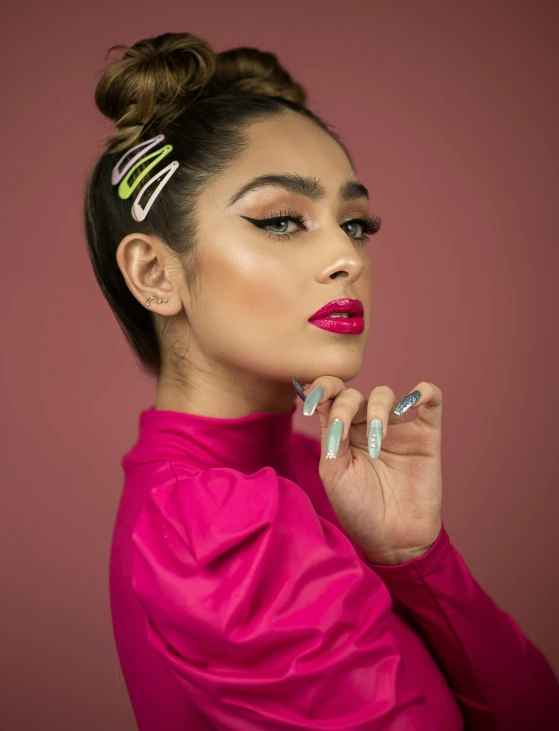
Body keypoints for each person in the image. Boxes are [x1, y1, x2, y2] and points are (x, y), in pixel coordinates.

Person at [83, 31, 559, 731]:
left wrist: (414, 557)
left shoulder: (316, 469)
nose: (345, 256)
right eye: (280, 220)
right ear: (156, 274)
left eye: (355, 223)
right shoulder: (211, 527)